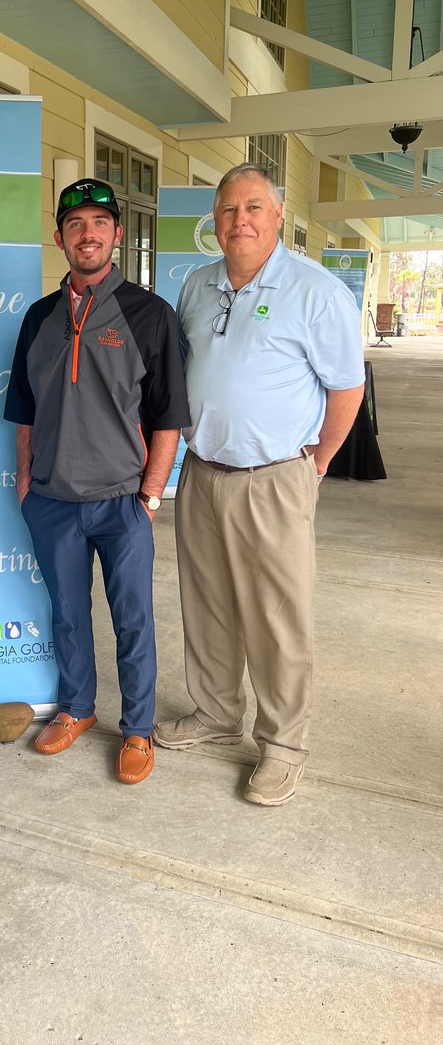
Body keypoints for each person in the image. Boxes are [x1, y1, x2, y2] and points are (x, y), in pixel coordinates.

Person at [154, 163, 365, 806]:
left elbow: (347, 388)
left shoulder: (316, 291)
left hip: (274, 478)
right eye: (226, 210)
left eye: (252, 208)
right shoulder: (196, 285)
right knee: (208, 603)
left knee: (278, 616)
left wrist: (318, 460)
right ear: (213, 222)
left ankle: (282, 745)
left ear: (276, 217)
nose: (238, 221)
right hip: (205, 472)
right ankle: (216, 714)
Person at [4, 178, 189, 784]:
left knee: (132, 616)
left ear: (116, 235)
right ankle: (77, 708)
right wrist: (27, 485)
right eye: (75, 223)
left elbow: (168, 416)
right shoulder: (38, 319)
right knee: (66, 612)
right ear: (60, 238)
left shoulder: (149, 315)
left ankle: (137, 728)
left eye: (99, 223)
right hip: (53, 500)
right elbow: (24, 412)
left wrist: (151, 496)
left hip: (122, 502)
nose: (88, 233)